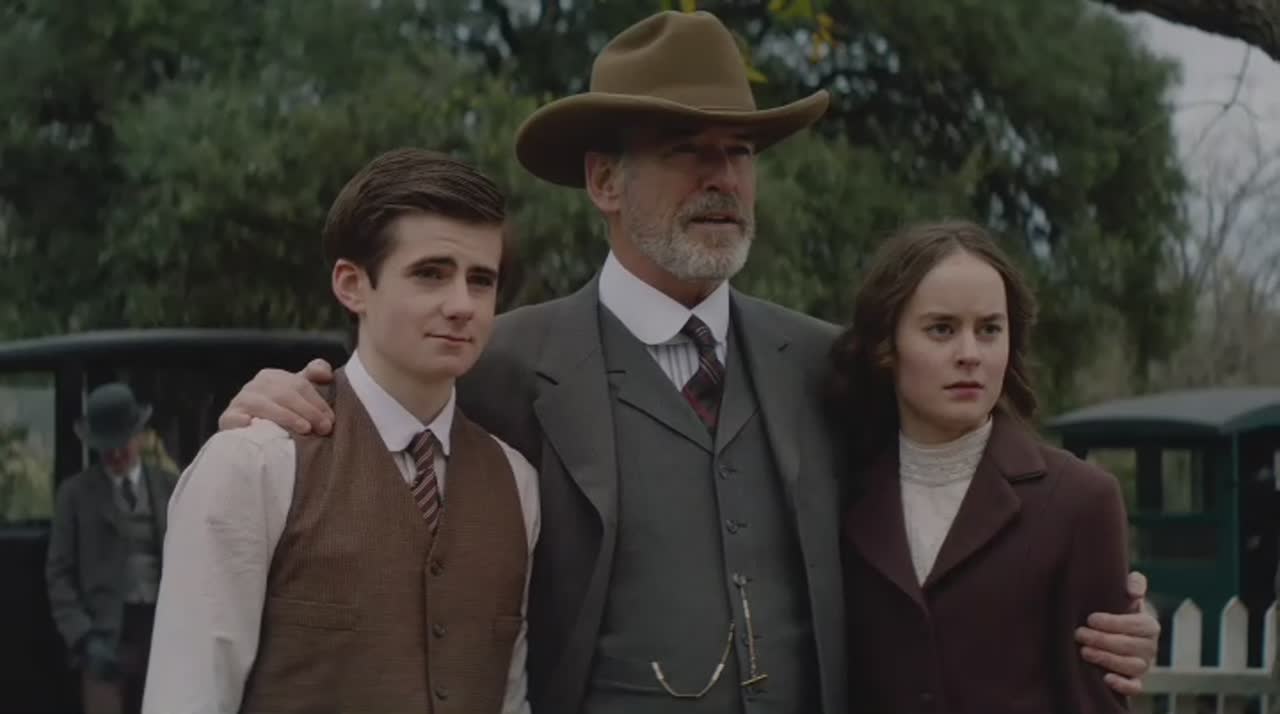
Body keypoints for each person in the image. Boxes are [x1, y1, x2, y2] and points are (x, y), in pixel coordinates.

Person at [217, 10, 1160, 714]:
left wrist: (1109, 613)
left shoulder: (823, 361)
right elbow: (376, 438)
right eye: (687, 151)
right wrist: (287, 400)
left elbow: (961, 489)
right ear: (604, 180)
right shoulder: (500, 363)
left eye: (739, 152)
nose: (723, 178)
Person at [141, 149, 539, 714]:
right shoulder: (255, 463)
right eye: (430, 273)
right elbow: (188, 696)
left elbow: (511, 698)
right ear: (352, 285)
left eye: (481, 280)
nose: (461, 305)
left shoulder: (516, 483)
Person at [829, 220, 1133, 712]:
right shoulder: (837, 488)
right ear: (887, 345)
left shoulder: (1081, 501)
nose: (969, 354)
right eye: (942, 329)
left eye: (989, 329)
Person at [46, 382, 178, 714]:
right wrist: (84, 638)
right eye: (107, 448)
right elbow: (59, 574)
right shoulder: (74, 495)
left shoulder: (170, 485)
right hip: (104, 636)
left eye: (123, 444)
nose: (117, 455)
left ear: (139, 436)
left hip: (164, 633)